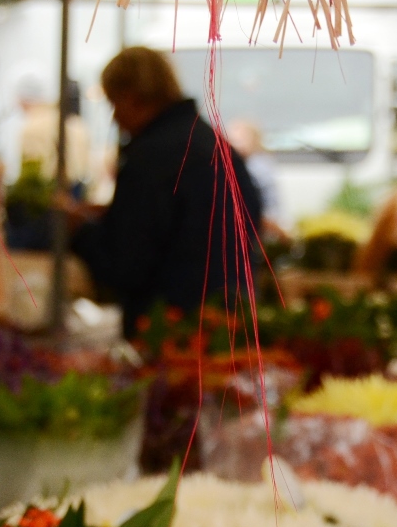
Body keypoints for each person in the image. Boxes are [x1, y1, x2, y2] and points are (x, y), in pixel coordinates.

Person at [59, 47, 262, 334]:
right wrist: (114, 215)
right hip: (229, 321)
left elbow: (126, 264)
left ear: (131, 97)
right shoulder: (215, 144)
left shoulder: (148, 159)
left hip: (167, 331)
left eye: (114, 104)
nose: (115, 118)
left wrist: (79, 230)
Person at [17, 76, 90, 195]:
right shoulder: (75, 123)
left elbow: (31, 172)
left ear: (24, 102)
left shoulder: (32, 128)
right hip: (77, 189)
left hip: (49, 193)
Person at [228, 120, 286, 239]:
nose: (236, 144)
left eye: (242, 138)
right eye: (233, 139)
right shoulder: (238, 166)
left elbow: (268, 210)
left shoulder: (258, 167)